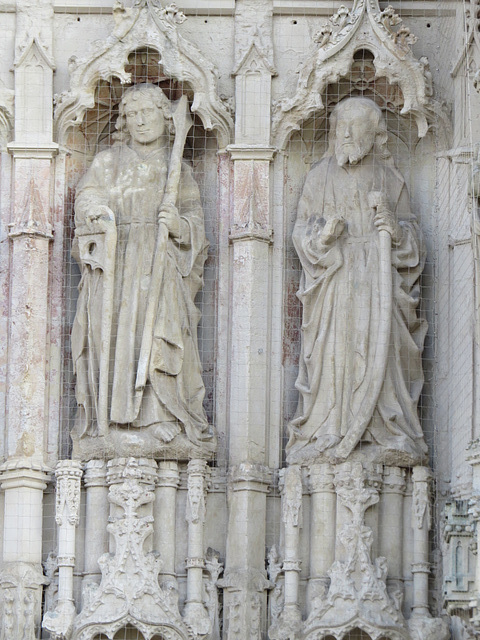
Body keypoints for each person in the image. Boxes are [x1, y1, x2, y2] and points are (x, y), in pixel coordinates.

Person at [71, 83, 215, 456]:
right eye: (132, 115)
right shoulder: (107, 162)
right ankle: (116, 420)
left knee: (158, 337)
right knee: (114, 336)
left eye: (147, 112)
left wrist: (178, 225)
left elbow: (195, 223)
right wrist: (96, 213)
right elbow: (87, 195)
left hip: (161, 266)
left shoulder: (177, 168)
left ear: (165, 118)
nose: (140, 121)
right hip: (116, 263)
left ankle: (159, 415)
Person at [286, 97, 428, 465]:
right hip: (335, 283)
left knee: (382, 349)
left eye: (356, 126)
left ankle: (386, 428)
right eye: (339, 127)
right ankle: (330, 426)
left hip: (379, 280)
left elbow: (414, 242)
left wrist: (395, 230)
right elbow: (300, 232)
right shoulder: (319, 177)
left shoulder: (390, 179)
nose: (345, 134)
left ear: (376, 133)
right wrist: (324, 236)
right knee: (334, 352)